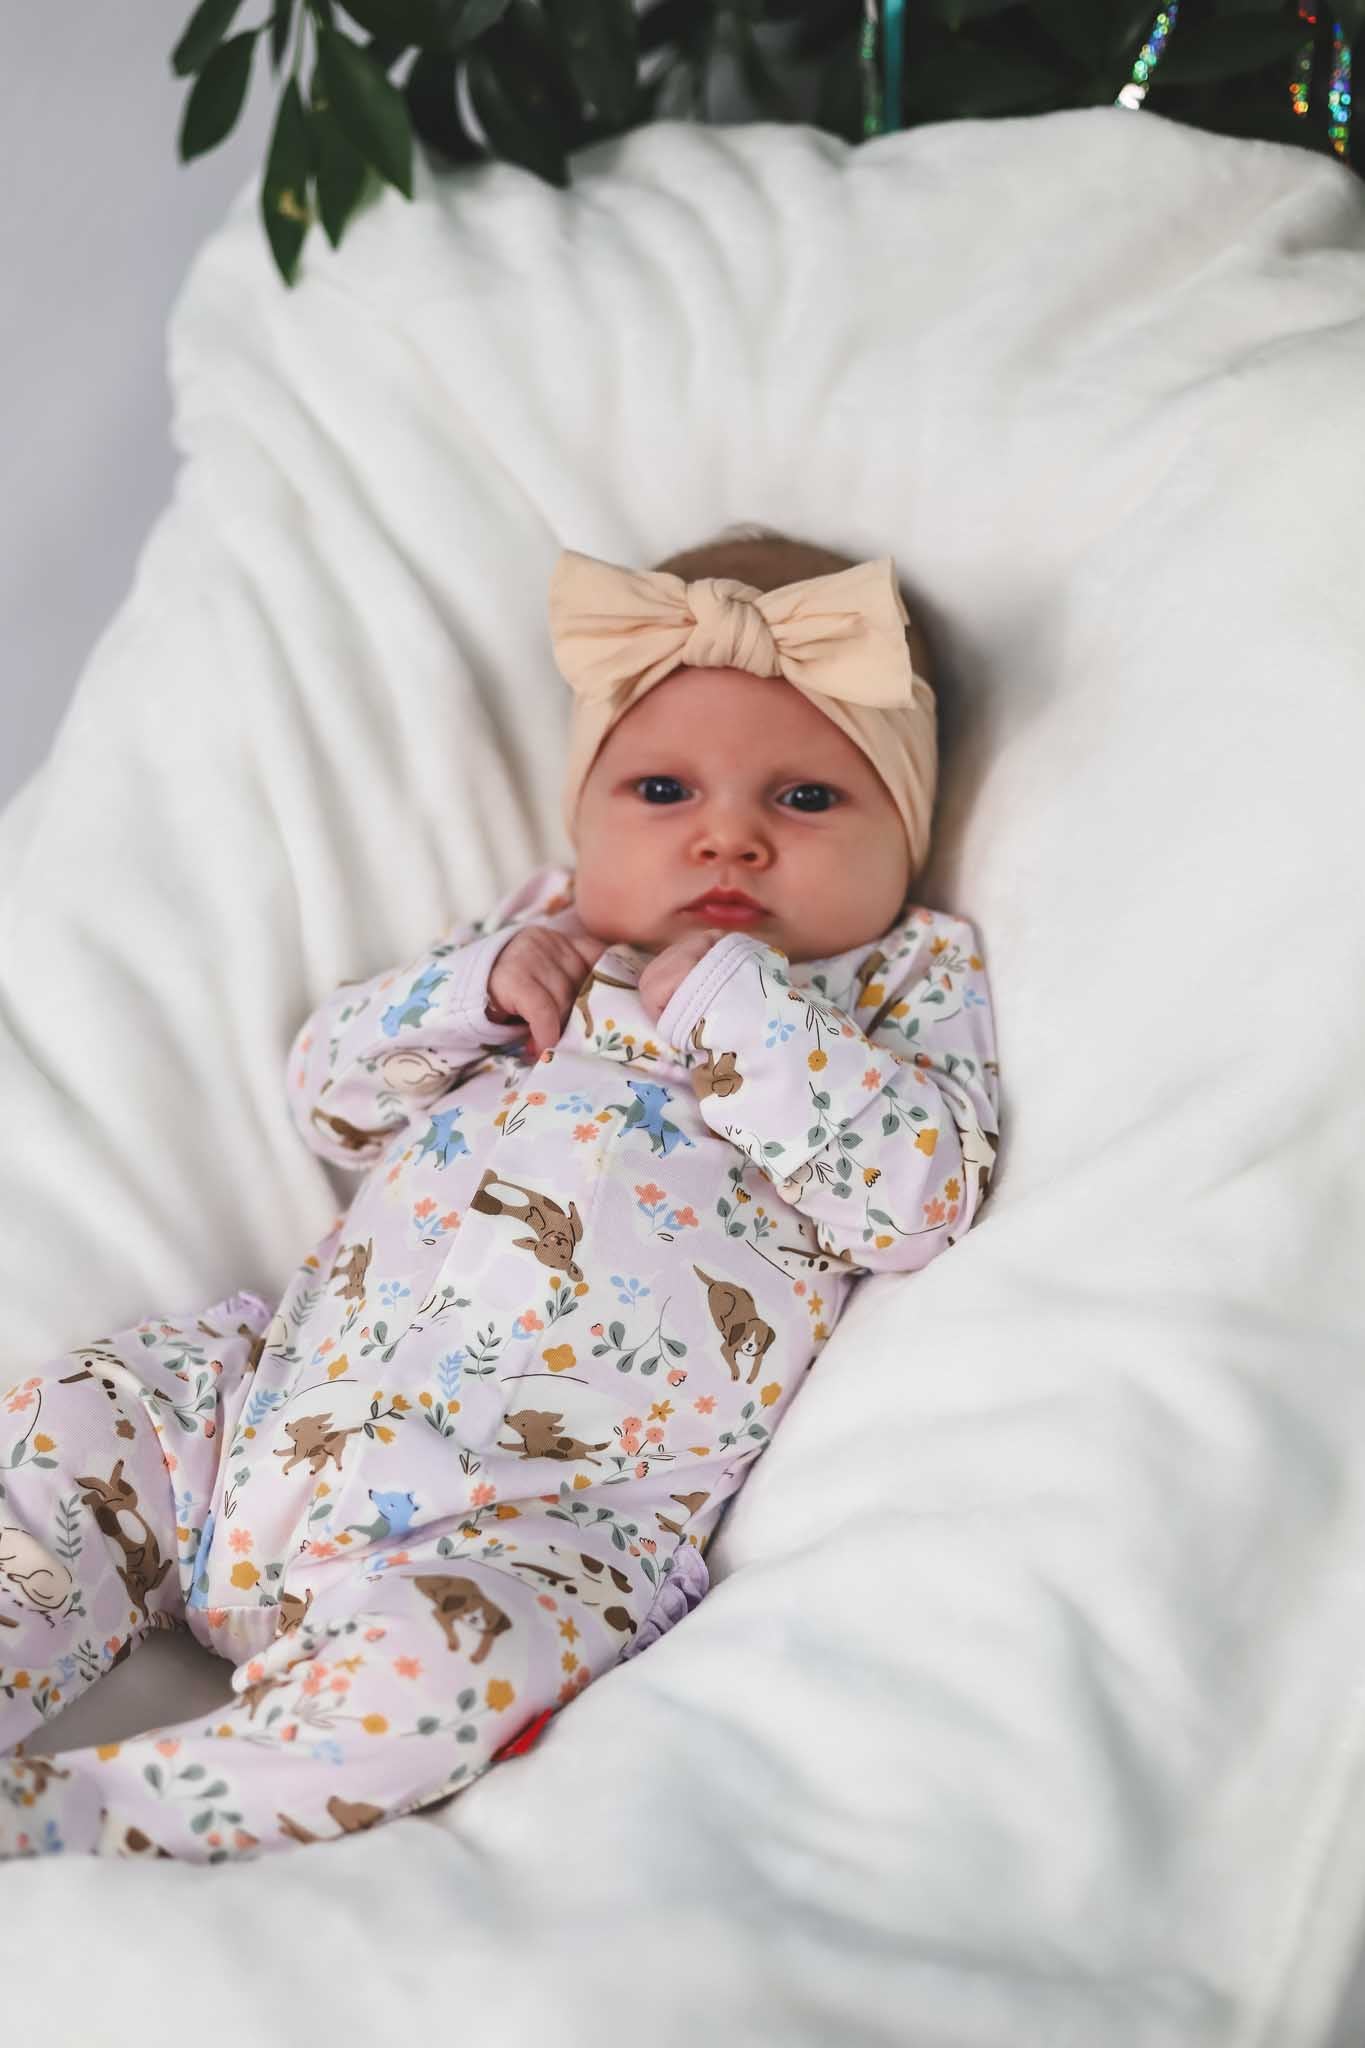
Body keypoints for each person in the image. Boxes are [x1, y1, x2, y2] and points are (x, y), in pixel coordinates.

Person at [0, 526, 999, 1861]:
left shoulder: (896, 984)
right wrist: (467, 991)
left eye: (806, 798)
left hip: (530, 1524)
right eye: (662, 790)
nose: (729, 837)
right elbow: (332, 1098)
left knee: (451, 1675)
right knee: (84, 1421)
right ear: (583, 822)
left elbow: (915, 1200)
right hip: (262, 1422)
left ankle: (83, 1817)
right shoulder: (542, 937)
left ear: (908, 836)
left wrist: (746, 1018)